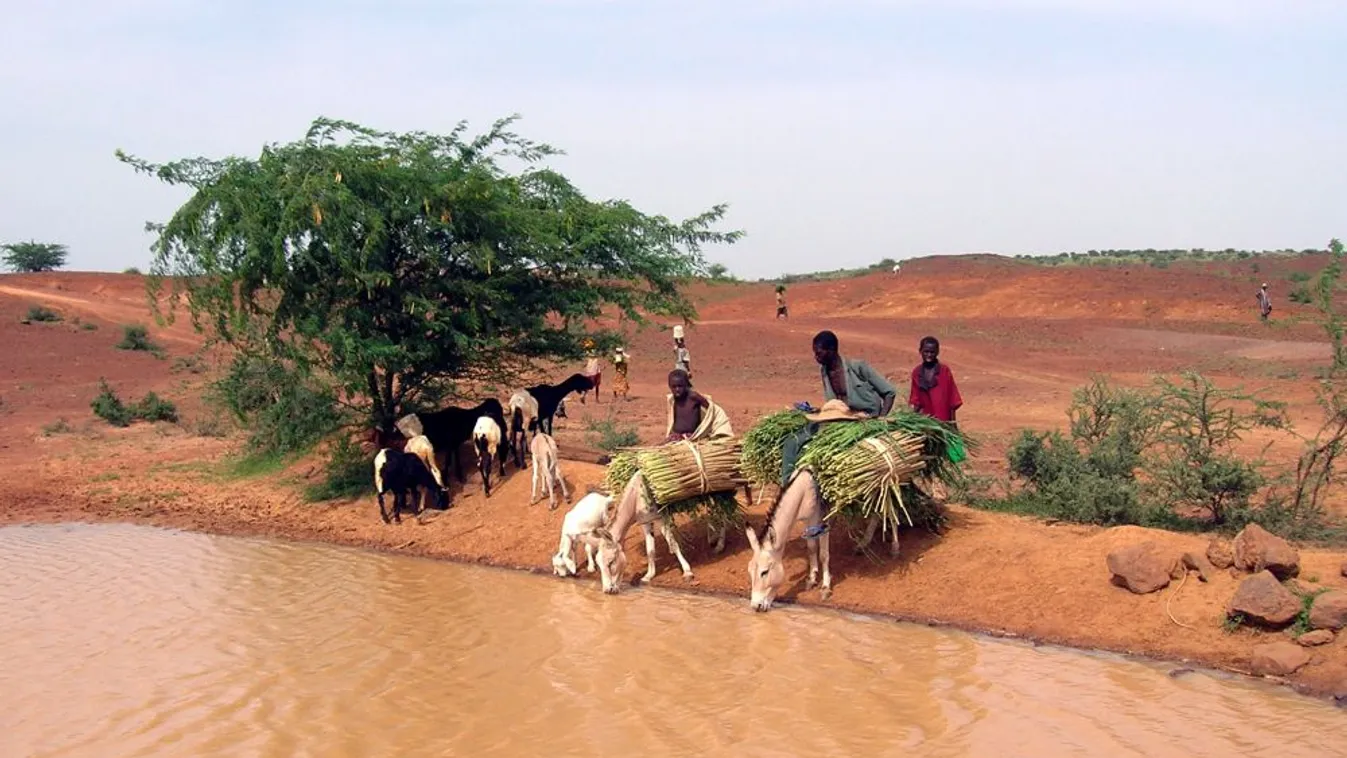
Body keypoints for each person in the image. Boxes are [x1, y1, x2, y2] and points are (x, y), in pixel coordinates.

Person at [778, 330, 897, 488]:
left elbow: (889, 392)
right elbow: (835, 401)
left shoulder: (858, 367)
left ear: (832, 350)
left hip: (862, 419)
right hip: (836, 417)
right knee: (793, 441)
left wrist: (881, 419)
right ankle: (787, 485)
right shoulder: (825, 371)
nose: (816, 358)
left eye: (819, 353)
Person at [665, 369, 732, 442]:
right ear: (669, 386)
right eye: (674, 387)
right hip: (676, 435)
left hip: (692, 436)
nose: (677, 389)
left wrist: (710, 429)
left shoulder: (693, 397)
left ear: (686, 385)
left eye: (680, 386)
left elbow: (712, 409)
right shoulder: (672, 400)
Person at [909, 336, 962, 424]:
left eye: (932, 352)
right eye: (926, 352)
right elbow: (916, 399)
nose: (929, 355)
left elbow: (952, 399)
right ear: (920, 351)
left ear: (937, 352)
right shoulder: (917, 372)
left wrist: (953, 424)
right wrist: (912, 420)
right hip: (925, 421)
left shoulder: (944, 371)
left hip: (943, 420)